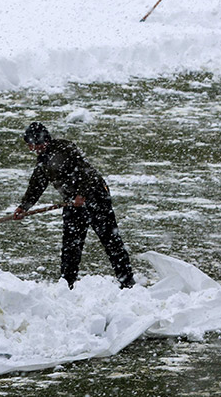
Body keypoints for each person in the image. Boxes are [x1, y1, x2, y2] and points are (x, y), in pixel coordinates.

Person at [13, 123, 135, 290]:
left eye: (31, 144)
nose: (30, 149)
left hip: (95, 197)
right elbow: (37, 184)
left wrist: (82, 194)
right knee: (71, 245)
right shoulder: (43, 159)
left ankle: (127, 282)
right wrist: (24, 207)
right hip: (72, 202)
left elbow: (86, 172)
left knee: (110, 240)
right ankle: (67, 284)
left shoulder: (65, 149)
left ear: (41, 141)